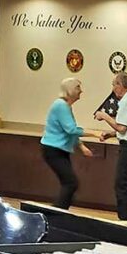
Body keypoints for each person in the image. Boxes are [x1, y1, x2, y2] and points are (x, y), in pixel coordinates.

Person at [40, 78, 106, 209]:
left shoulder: (66, 106)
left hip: (59, 150)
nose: (81, 90)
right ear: (70, 90)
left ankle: (59, 212)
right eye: (78, 87)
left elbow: (70, 131)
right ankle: (56, 214)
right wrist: (95, 133)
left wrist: (81, 146)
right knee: (70, 183)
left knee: (69, 183)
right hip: (53, 150)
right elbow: (71, 129)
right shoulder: (60, 105)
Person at [94, 72, 127, 220]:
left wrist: (104, 116)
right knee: (124, 185)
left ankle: (125, 221)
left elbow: (122, 127)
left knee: (121, 186)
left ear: (120, 85)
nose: (112, 88)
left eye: (114, 84)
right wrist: (110, 134)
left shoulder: (126, 102)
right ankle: (126, 219)